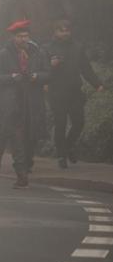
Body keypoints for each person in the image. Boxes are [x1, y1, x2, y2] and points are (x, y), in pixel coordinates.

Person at [0, 20, 50, 188]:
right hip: (12, 100)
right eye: (20, 36)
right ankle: (21, 173)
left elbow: (48, 73)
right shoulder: (4, 54)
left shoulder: (37, 52)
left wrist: (36, 77)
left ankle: (25, 163)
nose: (24, 39)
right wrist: (11, 77)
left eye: (26, 36)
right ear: (13, 38)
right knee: (16, 136)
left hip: (31, 100)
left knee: (30, 136)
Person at [43, 19, 103, 168]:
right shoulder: (47, 48)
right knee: (60, 124)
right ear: (55, 32)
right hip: (56, 92)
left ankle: (69, 146)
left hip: (75, 91)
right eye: (61, 30)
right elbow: (41, 71)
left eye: (67, 30)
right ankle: (62, 155)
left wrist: (97, 84)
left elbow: (86, 68)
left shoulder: (78, 47)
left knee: (79, 122)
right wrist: (51, 66)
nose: (65, 33)